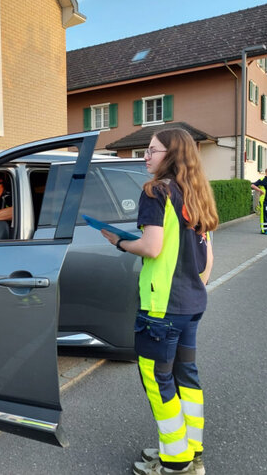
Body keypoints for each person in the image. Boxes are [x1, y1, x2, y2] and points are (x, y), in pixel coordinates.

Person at [100, 128, 218, 475]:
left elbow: (151, 247)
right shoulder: (197, 193)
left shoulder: (156, 191)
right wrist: (193, 290)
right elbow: (208, 258)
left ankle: (176, 462)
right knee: (186, 377)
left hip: (161, 308)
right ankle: (189, 451)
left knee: (158, 382)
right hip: (191, 304)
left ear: (171, 155)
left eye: (152, 150)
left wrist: (118, 241)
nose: (146, 156)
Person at [251, 167, 267, 235]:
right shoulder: (262, 180)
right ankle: (264, 230)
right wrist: (260, 190)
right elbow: (252, 185)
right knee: (265, 214)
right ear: (265, 173)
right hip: (265, 200)